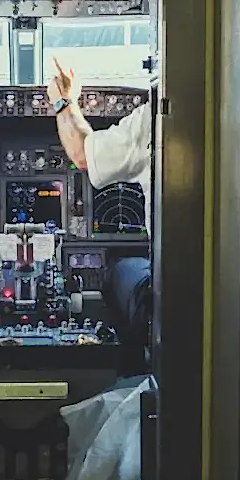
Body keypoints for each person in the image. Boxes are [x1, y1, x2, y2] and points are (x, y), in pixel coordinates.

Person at [46, 57, 151, 358]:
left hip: (176, 282)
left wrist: (62, 101)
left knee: (119, 269)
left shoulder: (154, 117)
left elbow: (82, 155)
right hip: (214, 275)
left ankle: (131, 359)